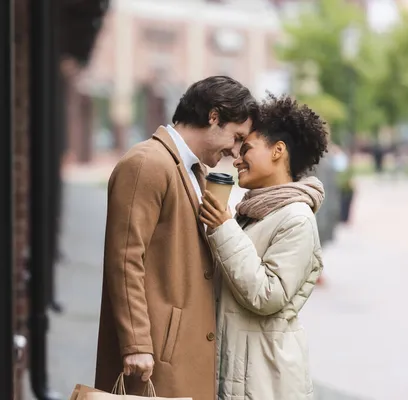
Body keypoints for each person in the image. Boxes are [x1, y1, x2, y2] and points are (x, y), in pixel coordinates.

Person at [94, 76, 258, 400]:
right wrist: (137, 343)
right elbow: (125, 259)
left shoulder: (194, 171)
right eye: (236, 136)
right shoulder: (147, 163)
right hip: (151, 357)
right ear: (214, 116)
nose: (234, 151)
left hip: (182, 354)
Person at [200, 93, 328, 399]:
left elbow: (268, 295)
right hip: (241, 371)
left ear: (278, 151)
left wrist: (222, 227)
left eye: (247, 149)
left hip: (267, 382)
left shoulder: (296, 218)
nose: (237, 157)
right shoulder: (252, 213)